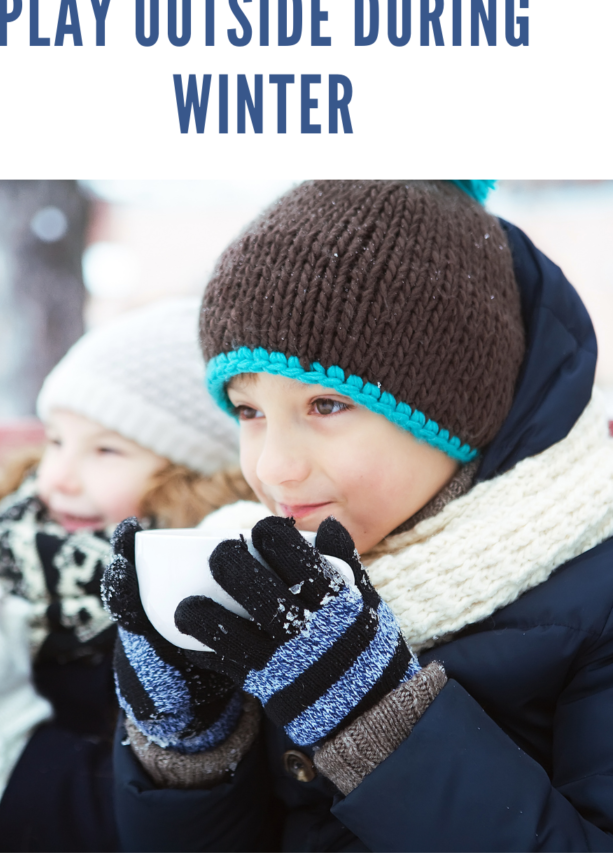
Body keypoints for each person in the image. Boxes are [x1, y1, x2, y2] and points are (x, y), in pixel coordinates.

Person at [102, 180, 613, 852]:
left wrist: (376, 726)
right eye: (249, 411)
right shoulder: (254, 564)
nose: (274, 468)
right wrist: (189, 753)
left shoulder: (594, 596)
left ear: (456, 413)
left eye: (326, 406)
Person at [0, 298, 252, 852]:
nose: (59, 478)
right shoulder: (28, 565)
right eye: (54, 441)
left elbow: (119, 825)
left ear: (190, 480)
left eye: (106, 450)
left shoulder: (186, 623)